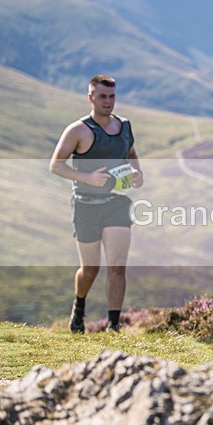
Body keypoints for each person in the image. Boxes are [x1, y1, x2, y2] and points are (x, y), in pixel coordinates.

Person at [49, 75, 143, 333]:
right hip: (86, 205)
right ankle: (79, 308)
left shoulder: (124, 126)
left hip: (117, 204)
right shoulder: (78, 130)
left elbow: (131, 153)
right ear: (90, 98)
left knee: (117, 267)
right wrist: (87, 177)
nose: (108, 102)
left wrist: (138, 173)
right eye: (102, 96)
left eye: (112, 96)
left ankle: (113, 326)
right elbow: (56, 165)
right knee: (90, 269)